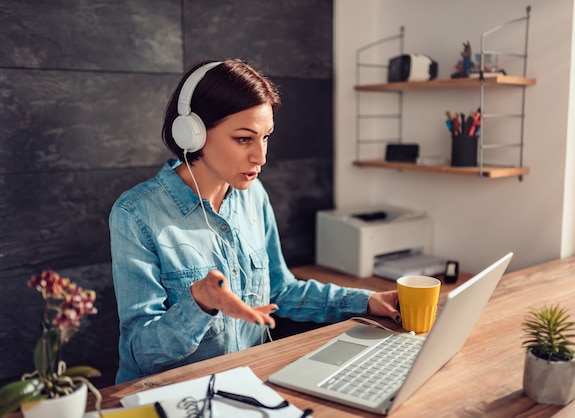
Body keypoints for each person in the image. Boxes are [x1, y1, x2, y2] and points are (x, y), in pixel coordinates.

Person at [109, 59, 400, 384]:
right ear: (193, 133)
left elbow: (280, 290)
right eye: (244, 139)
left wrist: (367, 301)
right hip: (173, 397)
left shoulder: (252, 194)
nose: (261, 157)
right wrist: (200, 302)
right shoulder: (136, 214)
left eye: (266, 137)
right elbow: (141, 352)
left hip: (247, 387)